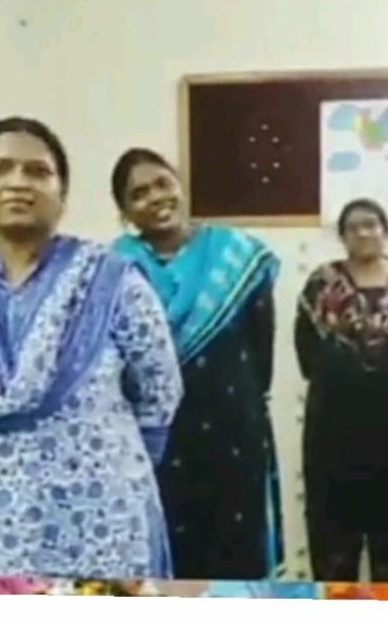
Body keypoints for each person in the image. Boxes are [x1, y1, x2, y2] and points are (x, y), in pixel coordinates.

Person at [0, 117, 182, 579]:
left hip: (100, 526)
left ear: (62, 193)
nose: (18, 182)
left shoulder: (113, 282)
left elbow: (159, 387)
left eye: (38, 172)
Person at [111, 148, 284, 580]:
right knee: (167, 563)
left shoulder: (238, 255)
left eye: (162, 184)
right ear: (125, 212)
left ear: (181, 186)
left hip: (233, 433)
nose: (155, 197)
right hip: (154, 442)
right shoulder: (113, 270)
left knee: (236, 561)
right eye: (138, 194)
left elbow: (261, 347)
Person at [295, 198, 388, 582]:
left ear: (386, 231)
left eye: (371, 224)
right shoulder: (321, 285)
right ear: (342, 236)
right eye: (353, 227)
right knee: (334, 556)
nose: (364, 233)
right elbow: (307, 355)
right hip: (333, 434)